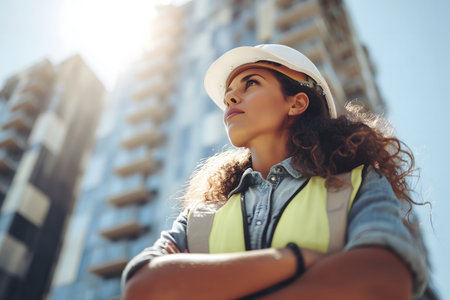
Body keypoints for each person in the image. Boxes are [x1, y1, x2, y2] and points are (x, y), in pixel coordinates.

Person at [121, 44, 429, 299]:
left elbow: (384, 278)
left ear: (296, 104)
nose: (230, 97)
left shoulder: (358, 183)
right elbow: (143, 287)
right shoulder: (199, 218)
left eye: (251, 83)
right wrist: (295, 259)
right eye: (229, 92)